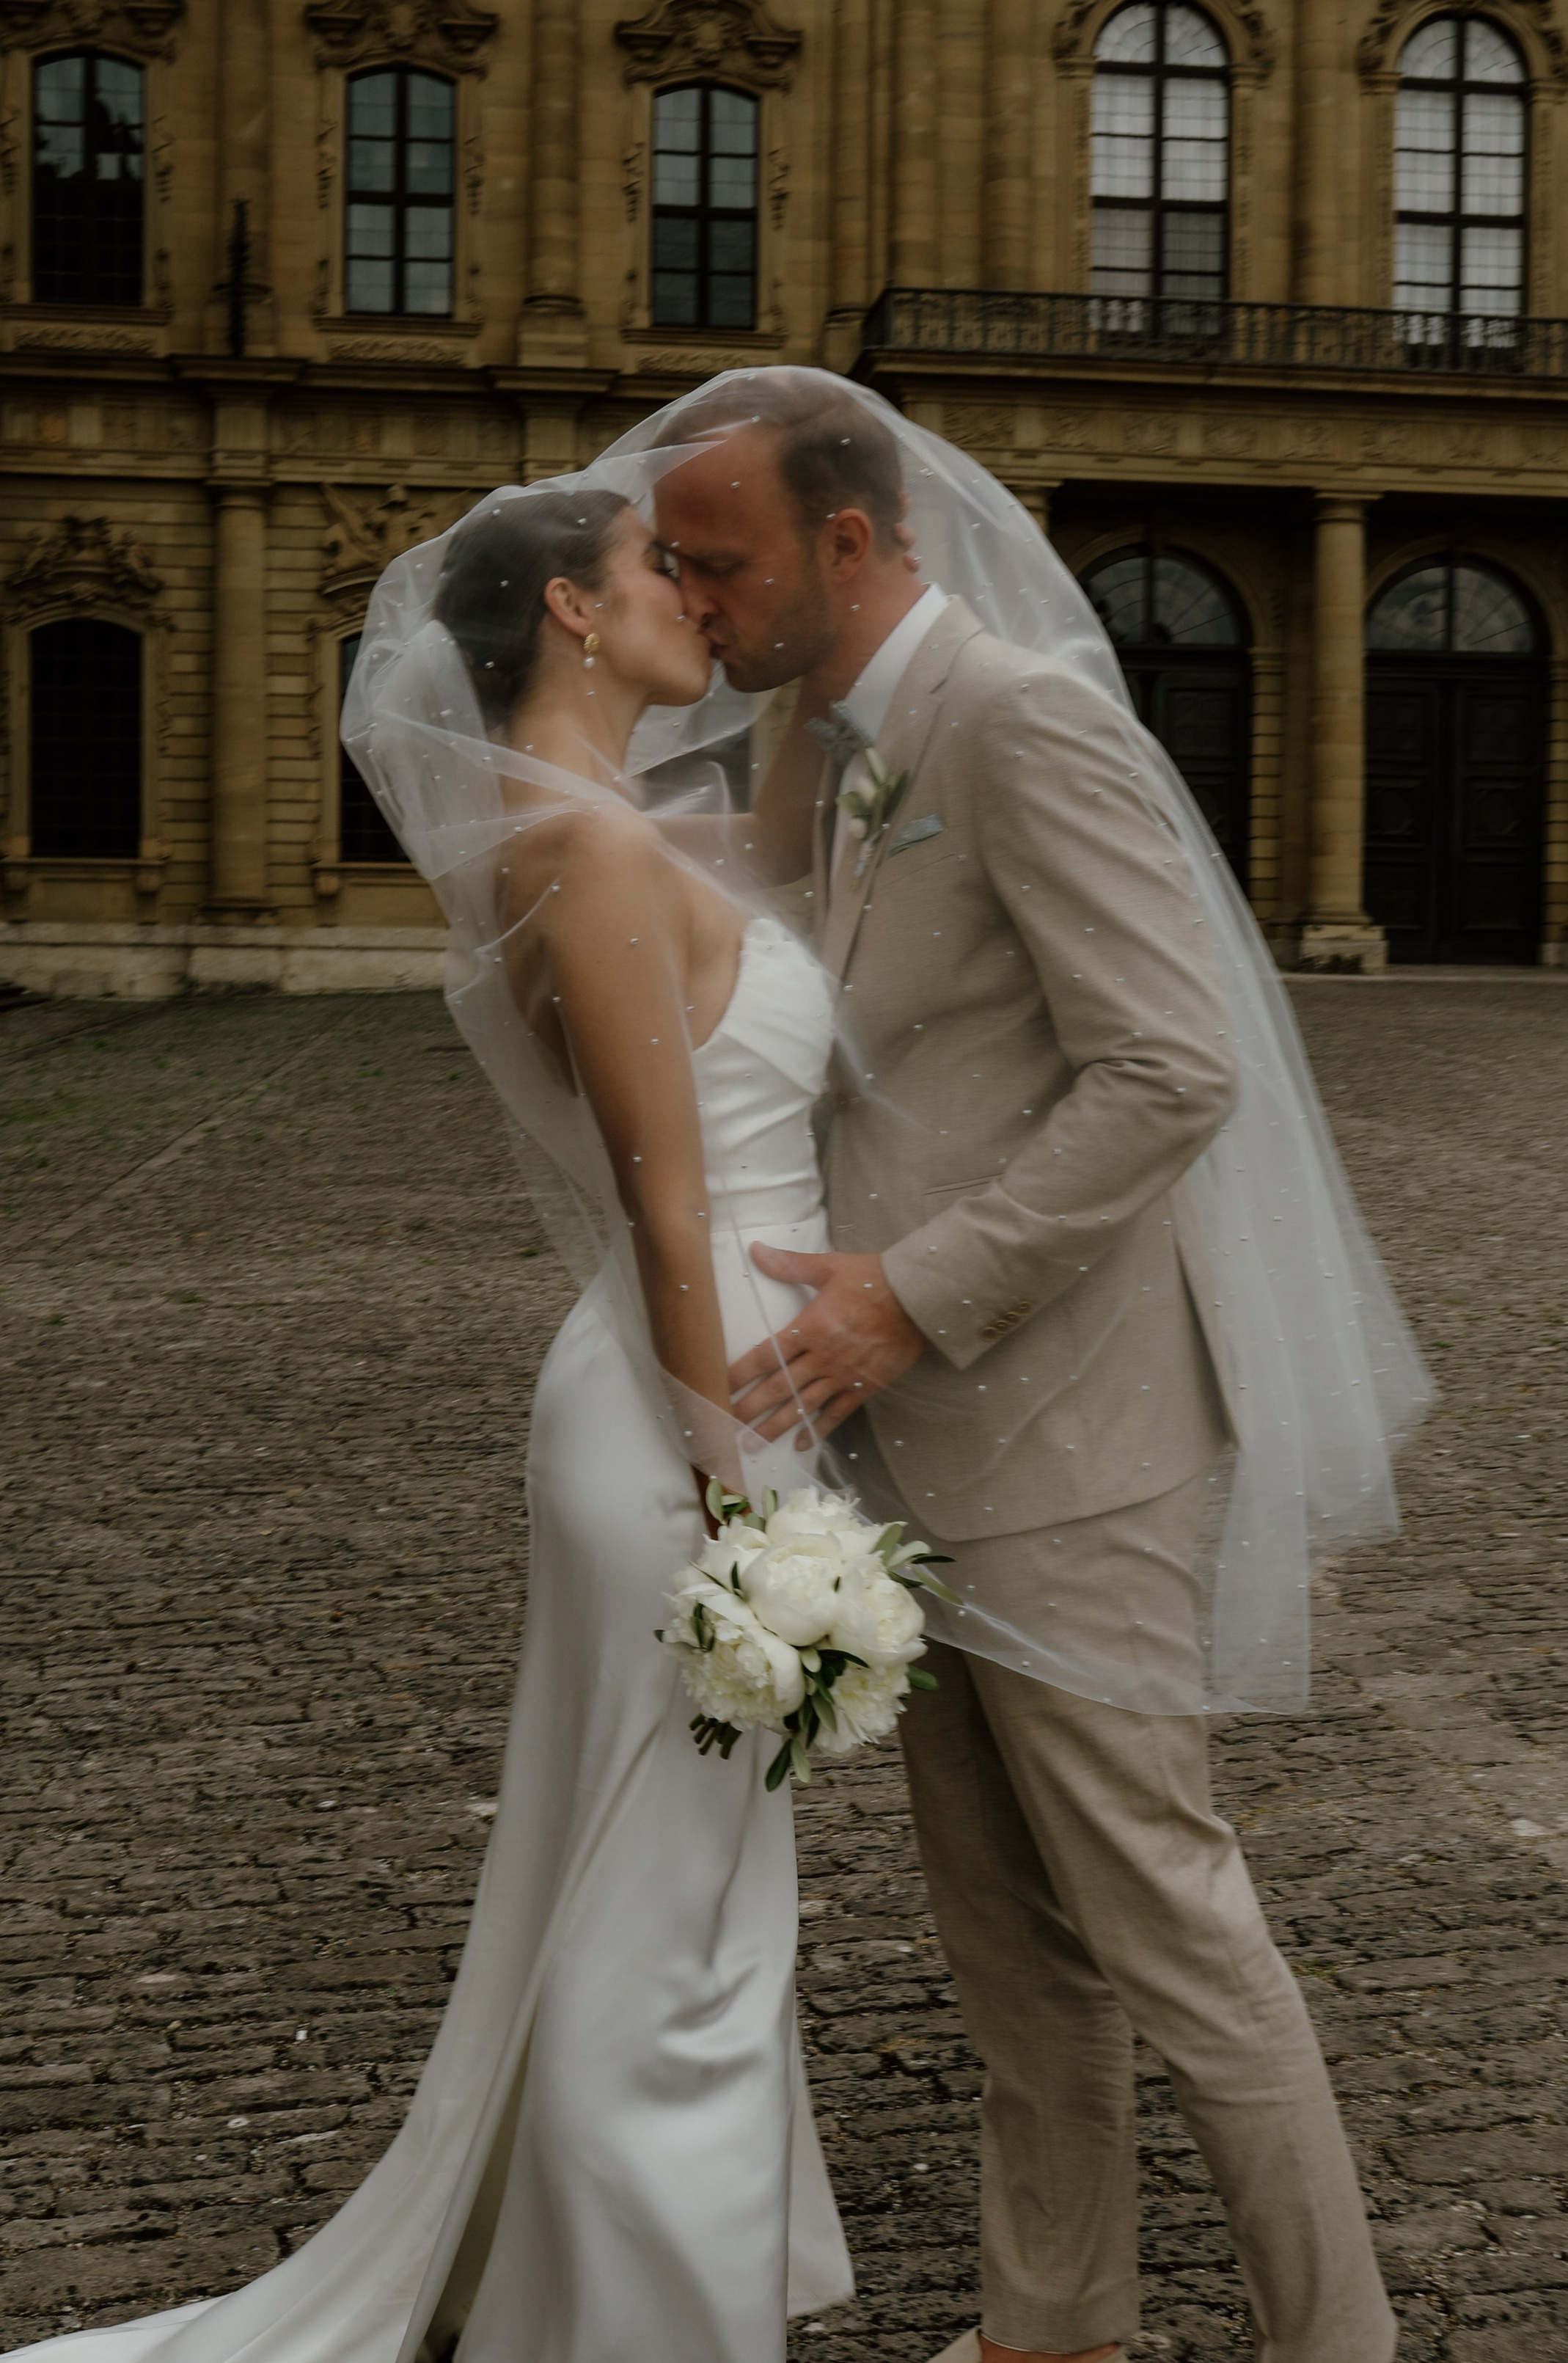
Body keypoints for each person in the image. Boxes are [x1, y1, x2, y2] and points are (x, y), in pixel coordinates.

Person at [7, 482, 851, 2360]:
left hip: (682, 1381)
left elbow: (818, 834)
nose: (692, 606)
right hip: (682, 1404)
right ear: (570, 607)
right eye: (658, 574)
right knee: (668, 1923)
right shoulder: (601, 852)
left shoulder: (598, 825)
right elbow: (661, 1202)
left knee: (670, 1886)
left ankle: (611, 2285)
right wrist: (743, 1494)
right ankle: (645, 2321)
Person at [642, 368, 1426, 2363]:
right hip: (916, 1449)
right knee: (1011, 1949)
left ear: (850, 538)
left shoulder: (1020, 715)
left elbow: (1173, 1058)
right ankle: (1050, 2327)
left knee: (1179, 1932)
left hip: (1076, 1438)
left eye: (715, 559)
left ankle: (1338, 2341)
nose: (691, 592)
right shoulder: (824, 737)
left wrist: (912, 1292)